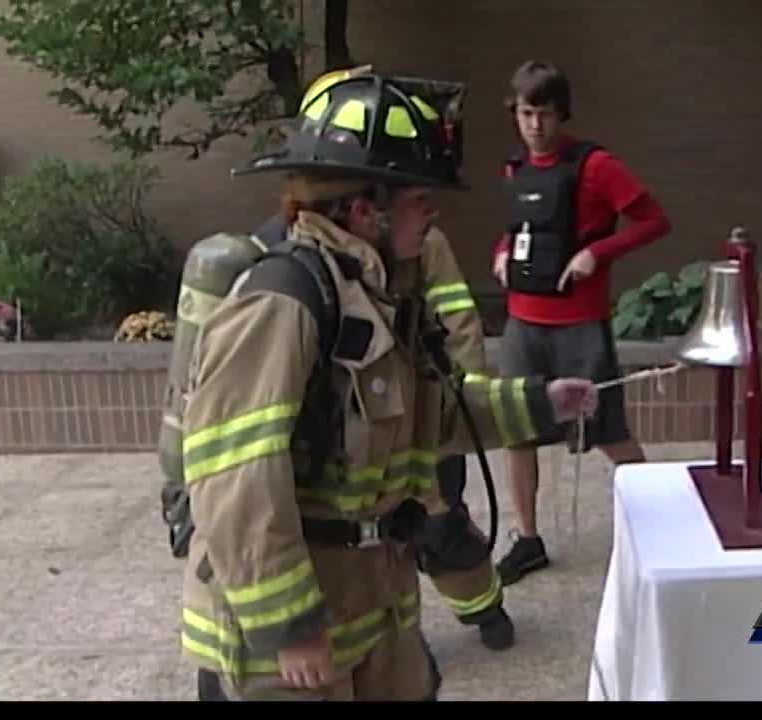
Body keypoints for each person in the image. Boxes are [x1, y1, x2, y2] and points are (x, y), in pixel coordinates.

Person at [180, 67, 598, 701]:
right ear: (361, 205)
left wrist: (543, 403)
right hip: (292, 641)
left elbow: (435, 416)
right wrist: (286, 625)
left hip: (372, 607)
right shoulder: (284, 300)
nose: (432, 211)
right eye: (417, 196)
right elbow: (236, 475)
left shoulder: (380, 297)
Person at [250, 219, 516, 653]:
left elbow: (457, 317)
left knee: (443, 525)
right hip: (356, 438)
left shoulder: (422, 238)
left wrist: (458, 404)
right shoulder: (280, 251)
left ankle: (484, 608)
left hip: (422, 417)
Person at [490, 60, 671, 586]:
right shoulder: (515, 169)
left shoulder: (596, 166)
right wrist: (502, 253)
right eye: (526, 114)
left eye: (544, 115)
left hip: (579, 324)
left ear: (560, 114)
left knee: (606, 430)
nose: (535, 126)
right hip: (523, 323)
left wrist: (598, 252)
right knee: (516, 432)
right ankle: (527, 539)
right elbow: (517, 229)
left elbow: (655, 220)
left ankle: (664, 518)